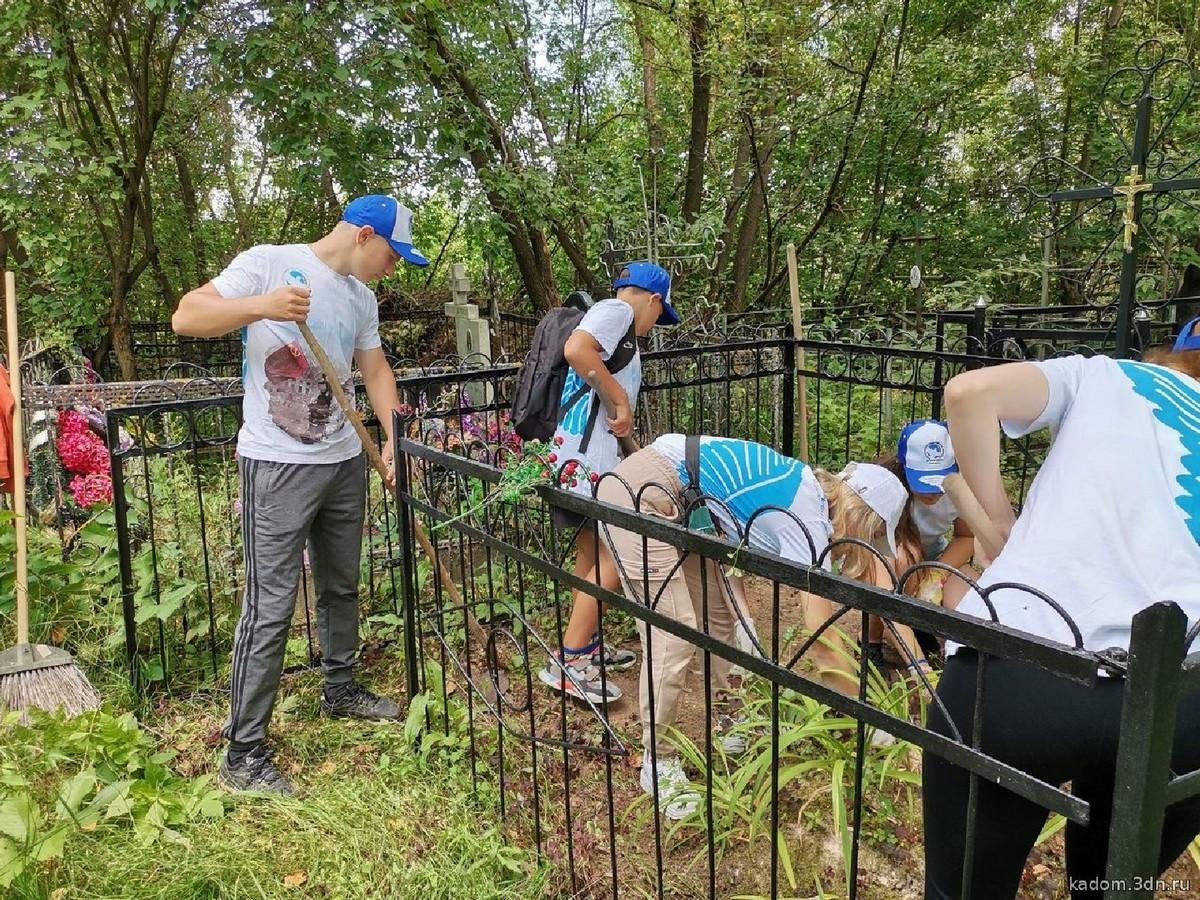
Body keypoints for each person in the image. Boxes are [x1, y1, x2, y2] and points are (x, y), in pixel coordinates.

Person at [923, 317, 1200, 899]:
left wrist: (998, 525)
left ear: (1173, 357)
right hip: (1180, 698)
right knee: (1111, 887)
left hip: (1025, 665)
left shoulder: (1110, 377)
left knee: (964, 891)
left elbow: (969, 393)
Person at [173, 194, 428, 795]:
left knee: (342, 582)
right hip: (278, 463)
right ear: (364, 235)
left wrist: (394, 441)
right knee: (271, 604)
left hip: (344, 460)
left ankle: (340, 687)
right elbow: (188, 315)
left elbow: (375, 371)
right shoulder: (268, 262)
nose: (392, 270)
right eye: (393, 256)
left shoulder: (361, 298)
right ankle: (243, 752)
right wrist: (264, 305)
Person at [595, 434, 909, 818]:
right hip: (642, 489)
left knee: (719, 622)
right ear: (862, 517)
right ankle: (657, 762)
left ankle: (729, 722)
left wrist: (745, 619)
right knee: (672, 632)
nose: (869, 544)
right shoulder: (805, 515)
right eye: (874, 534)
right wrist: (866, 716)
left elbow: (728, 534)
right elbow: (822, 638)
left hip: (688, 500)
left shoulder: (804, 498)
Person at [537, 261, 678, 704]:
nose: (655, 325)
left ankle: (587, 645)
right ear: (653, 299)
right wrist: (620, 399)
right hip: (584, 461)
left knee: (591, 556)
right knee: (614, 559)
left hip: (581, 460)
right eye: (660, 313)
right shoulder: (615, 312)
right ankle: (571, 661)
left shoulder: (619, 329)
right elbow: (577, 350)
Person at [867, 420, 982, 665]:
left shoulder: (960, 489)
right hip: (892, 555)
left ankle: (956, 652)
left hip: (935, 556)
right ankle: (870, 641)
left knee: (970, 593)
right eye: (924, 483)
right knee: (900, 560)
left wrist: (937, 573)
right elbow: (881, 567)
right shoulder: (887, 488)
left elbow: (966, 536)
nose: (934, 492)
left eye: (940, 481)